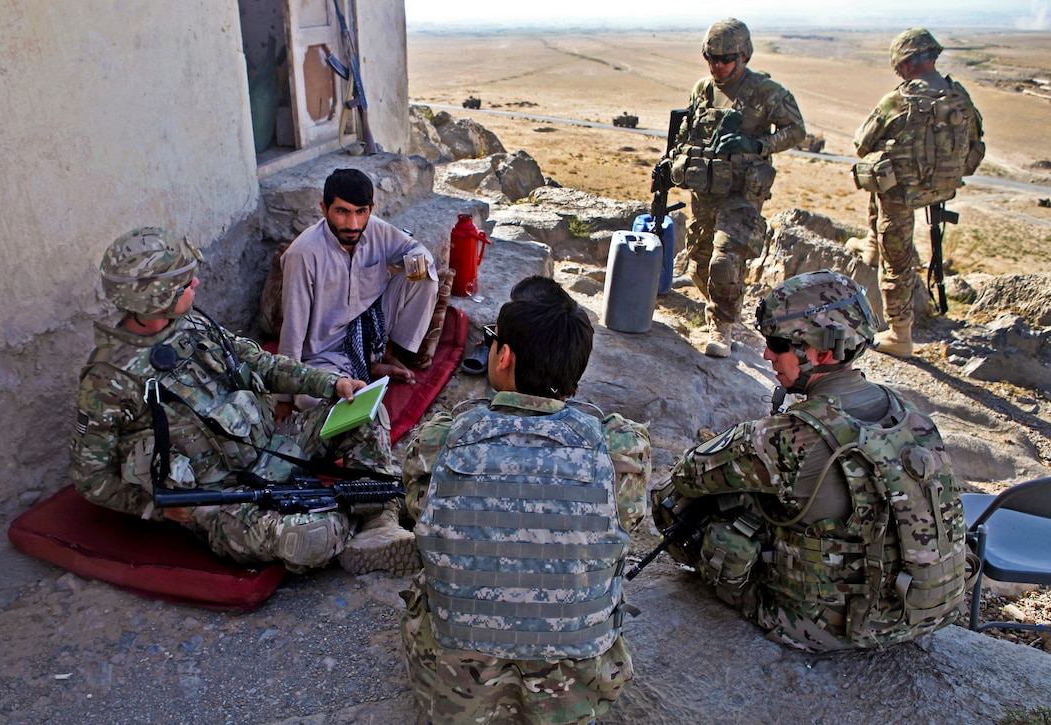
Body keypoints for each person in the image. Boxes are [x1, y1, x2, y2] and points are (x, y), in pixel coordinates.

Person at [70, 227, 419, 576]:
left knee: (366, 411)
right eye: (184, 283)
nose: (195, 285)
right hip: (224, 497)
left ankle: (376, 522)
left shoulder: (192, 322)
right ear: (156, 297)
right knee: (308, 538)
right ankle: (364, 513)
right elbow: (91, 478)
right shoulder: (108, 379)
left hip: (274, 445)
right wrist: (154, 508)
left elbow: (260, 363)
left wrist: (333, 383)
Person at [651, 271, 967, 652]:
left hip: (820, 628)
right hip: (909, 613)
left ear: (824, 351)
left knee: (677, 502)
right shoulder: (912, 416)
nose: (766, 354)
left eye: (778, 343)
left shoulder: (789, 437)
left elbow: (688, 475)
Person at [399, 276, 652, 724]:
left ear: (505, 356)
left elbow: (419, 518)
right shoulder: (621, 450)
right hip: (573, 692)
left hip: (458, 690)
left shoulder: (438, 442)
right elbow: (623, 527)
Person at [659, 18, 806, 358]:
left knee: (724, 264)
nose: (718, 65)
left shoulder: (766, 92)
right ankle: (725, 302)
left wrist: (757, 145)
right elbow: (686, 135)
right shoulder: (703, 89)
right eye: (711, 57)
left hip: (741, 193)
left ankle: (722, 327)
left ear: (744, 56)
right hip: (705, 192)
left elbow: (796, 131)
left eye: (726, 58)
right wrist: (670, 164)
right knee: (699, 265)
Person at [849, 28, 985, 358]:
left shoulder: (898, 100)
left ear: (905, 64)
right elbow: (976, 142)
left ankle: (900, 335)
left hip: (903, 197)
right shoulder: (959, 96)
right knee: (879, 172)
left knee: (897, 261)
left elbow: (861, 144)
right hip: (940, 188)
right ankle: (872, 244)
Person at [276, 167, 439, 416]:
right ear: (324, 209)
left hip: (371, 331)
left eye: (360, 212)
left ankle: (383, 357)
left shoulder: (377, 230)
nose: (352, 224)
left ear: (370, 209)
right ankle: (365, 369)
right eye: (342, 212)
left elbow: (415, 248)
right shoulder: (303, 254)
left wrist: (417, 259)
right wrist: (284, 398)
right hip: (327, 351)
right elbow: (293, 329)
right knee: (310, 401)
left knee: (424, 276)